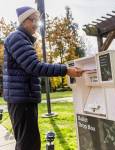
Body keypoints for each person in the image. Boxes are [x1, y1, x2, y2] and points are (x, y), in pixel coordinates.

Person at [3, 6, 83, 150]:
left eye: (37, 20)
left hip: (22, 99)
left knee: (26, 142)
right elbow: (35, 66)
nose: (36, 24)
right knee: (29, 144)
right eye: (33, 20)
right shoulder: (17, 38)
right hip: (22, 100)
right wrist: (65, 70)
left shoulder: (22, 39)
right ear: (23, 21)